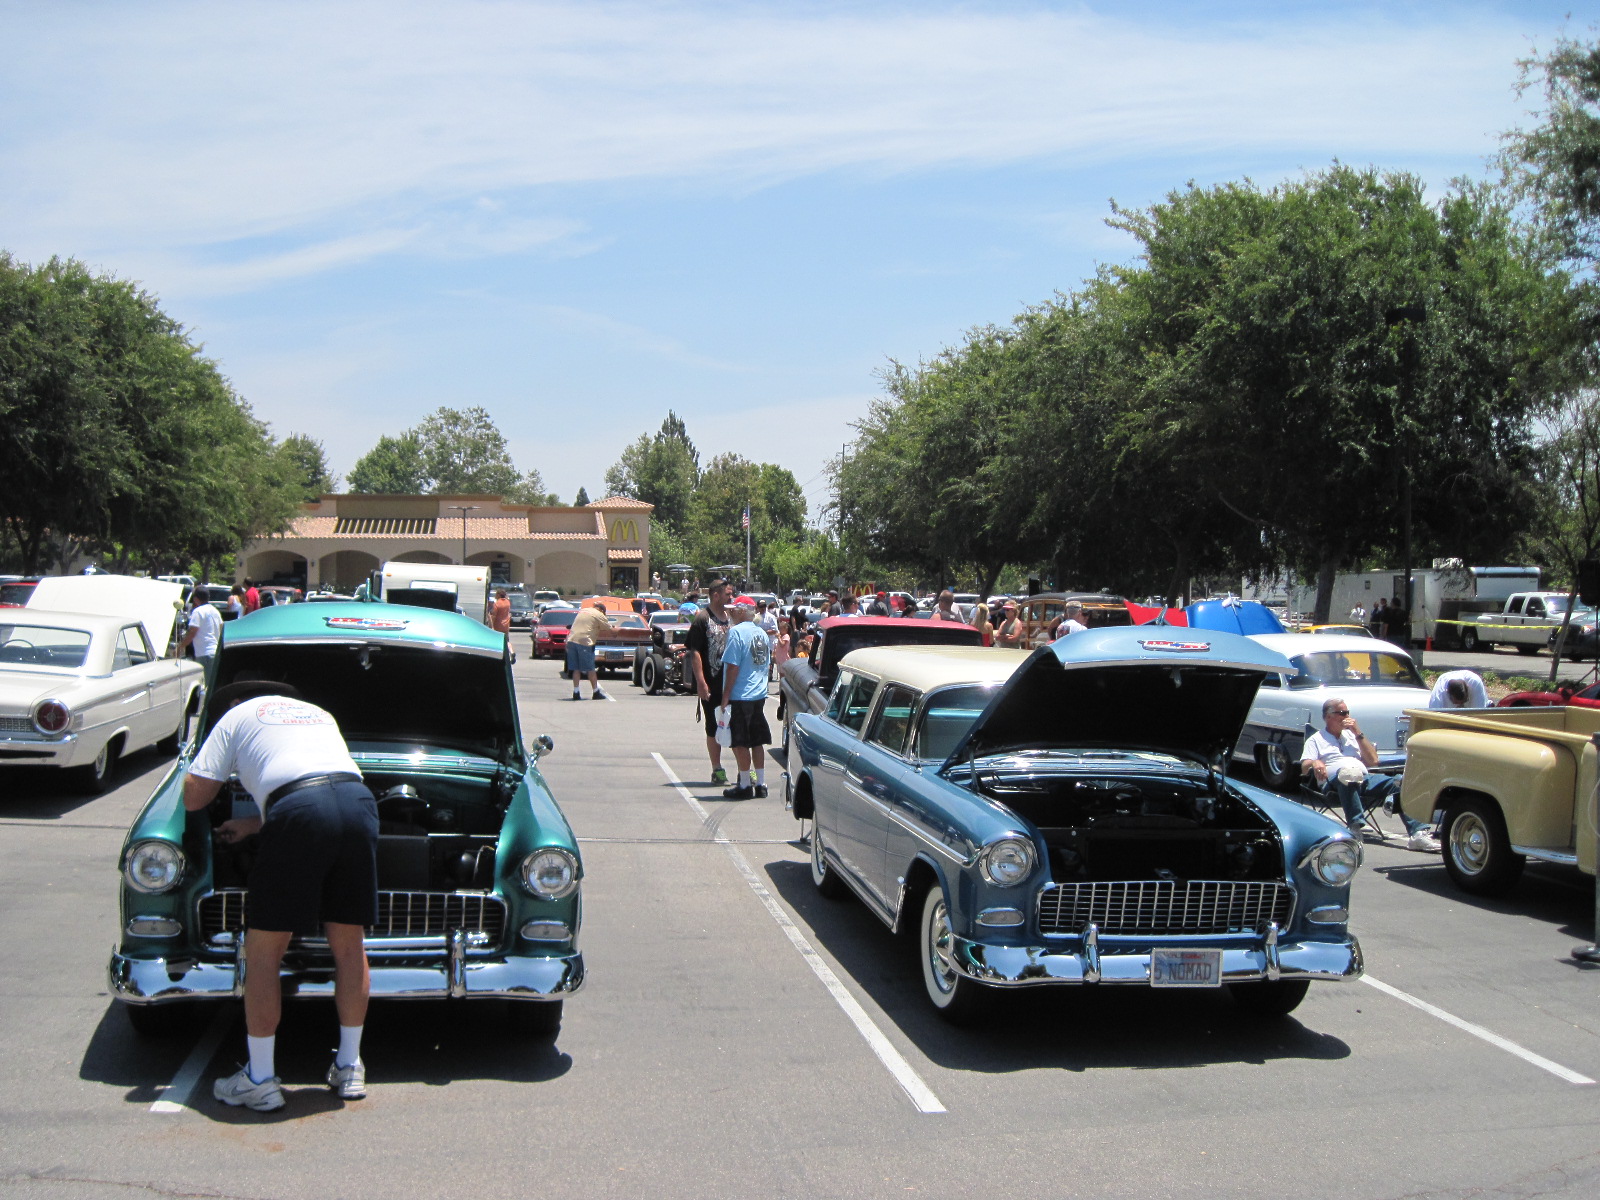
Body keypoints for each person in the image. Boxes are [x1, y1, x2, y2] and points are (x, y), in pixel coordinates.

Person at [184, 681, 378, 1111]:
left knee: (265, 951)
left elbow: (195, 797)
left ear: (234, 703)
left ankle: (260, 1078)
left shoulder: (234, 718)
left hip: (297, 812)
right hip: (358, 803)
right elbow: (322, 786)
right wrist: (257, 823)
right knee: (349, 945)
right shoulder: (316, 710)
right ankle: (350, 1066)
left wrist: (193, 768)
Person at [1301, 696, 1440, 851]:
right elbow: (1304, 766)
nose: (1347, 716)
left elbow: (1373, 761)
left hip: (1364, 779)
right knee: (1348, 775)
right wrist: (1314, 762)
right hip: (1335, 782)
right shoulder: (1316, 739)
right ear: (1328, 716)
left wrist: (1357, 733)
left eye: (1348, 712)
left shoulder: (1353, 737)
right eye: (1342, 713)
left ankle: (1418, 834)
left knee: (1400, 783)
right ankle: (1355, 826)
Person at [719, 596, 774, 799]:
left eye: (733, 610)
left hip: (741, 694)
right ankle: (760, 783)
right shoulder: (761, 633)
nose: (730, 613)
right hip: (758, 694)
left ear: (742, 611)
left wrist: (725, 696)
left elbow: (733, 666)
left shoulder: (736, 632)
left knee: (740, 742)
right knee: (756, 740)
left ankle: (744, 784)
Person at [686, 577, 733, 786]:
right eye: (727, 594)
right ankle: (717, 768)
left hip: (731, 682)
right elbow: (694, 652)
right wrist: (701, 682)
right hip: (711, 681)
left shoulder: (730, 617)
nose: (730, 597)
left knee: (735, 723)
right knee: (713, 726)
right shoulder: (702, 619)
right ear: (716, 595)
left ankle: (744, 770)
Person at [565, 599, 612, 700]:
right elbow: (609, 628)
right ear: (602, 611)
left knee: (576, 668)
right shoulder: (599, 614)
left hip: (571, 640)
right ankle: (596, 692)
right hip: (584, 642)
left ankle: (576, 692)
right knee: (590, 669)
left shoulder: (583, 610)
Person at [179, 590, 223, 675]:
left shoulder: (198, 611)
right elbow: (221, 628)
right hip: (216, 652)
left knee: (205, 683)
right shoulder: (215, 611)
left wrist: (180, 647)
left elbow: (192, 632)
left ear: (195, 599)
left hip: (204, 653)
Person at [490, 588, 514, 663]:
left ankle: (497, 655)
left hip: (498, 625)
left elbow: (494, 615)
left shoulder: (497, 604)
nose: (495, 595)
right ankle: (512, 652)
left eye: (496, 594)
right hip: (506, 625)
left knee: (496, 641)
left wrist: (492, 625)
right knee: (506, 640)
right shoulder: (507, 602)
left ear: (499, 595)